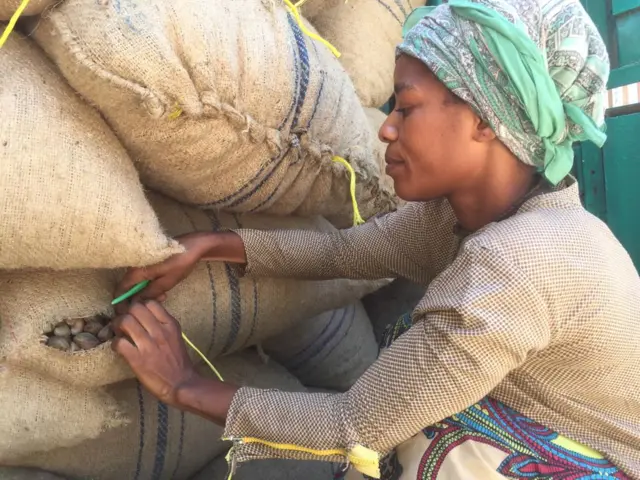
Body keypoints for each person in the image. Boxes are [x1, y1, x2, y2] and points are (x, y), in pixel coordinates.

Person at [110, 0, 640, 478]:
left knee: (425, 438)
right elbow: (347, 251)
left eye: (406, 108)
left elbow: (354, 427)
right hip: (542, 436)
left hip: (603, 464)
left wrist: (183, 385)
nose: (386, 128)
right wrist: (213, 245)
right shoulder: (466, 217)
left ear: (485, 119)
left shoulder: (521, 261)